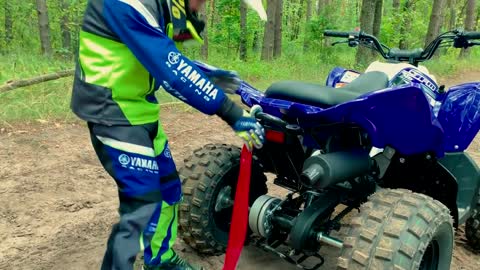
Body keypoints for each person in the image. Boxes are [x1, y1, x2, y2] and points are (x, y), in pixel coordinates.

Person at [70, 0, 265, 269]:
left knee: (169, 190)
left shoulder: (157, 7)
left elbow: (162, 53)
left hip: (141, 110)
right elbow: (170, 68)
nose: (201, 6)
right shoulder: (128, 3)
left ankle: (160, 259)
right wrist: (231, 113)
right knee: (142, 205)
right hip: (112, 113)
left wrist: (205, 76)